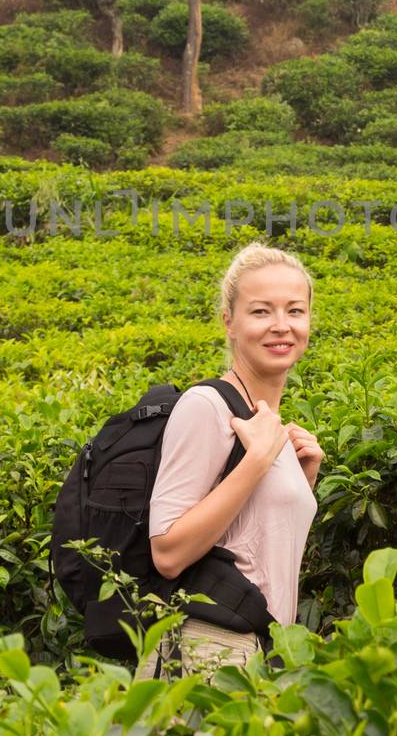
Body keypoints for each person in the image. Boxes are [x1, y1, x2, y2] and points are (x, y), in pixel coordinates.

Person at [135, 242, 324, 681]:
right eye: (261, 312)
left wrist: (302, 482)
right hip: (208, 650)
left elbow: (254, 546)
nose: (282, 326)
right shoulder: (207, 407)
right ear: (229, 323)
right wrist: (257, 461)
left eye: (295, 311)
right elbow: (167, 550)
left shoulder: (266, 424)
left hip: (263, 649)